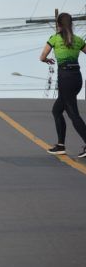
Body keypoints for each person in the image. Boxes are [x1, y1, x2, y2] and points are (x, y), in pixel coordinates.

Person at [39, 12, 86, 158]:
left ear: (58, 25)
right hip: (77, 78)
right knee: (57, 110)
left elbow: (42, 57)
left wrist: (47, 60)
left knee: (73, 114)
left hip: (65, 79)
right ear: (71, 24)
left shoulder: (54, 39)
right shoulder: (78, 40)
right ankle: (60, 145)